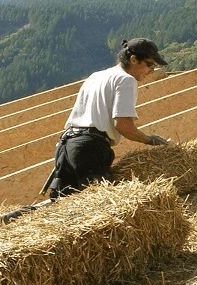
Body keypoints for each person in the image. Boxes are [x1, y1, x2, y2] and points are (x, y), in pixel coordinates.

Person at [45, 38, 170, 199]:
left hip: (66, 146)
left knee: (62, 206)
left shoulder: (96, 76)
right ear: (133, 60)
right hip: (90, 149)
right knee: (104, 204)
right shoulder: (126, 80)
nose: (151, 71)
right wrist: (149, 139)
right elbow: (123, 125)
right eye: (149, 64)